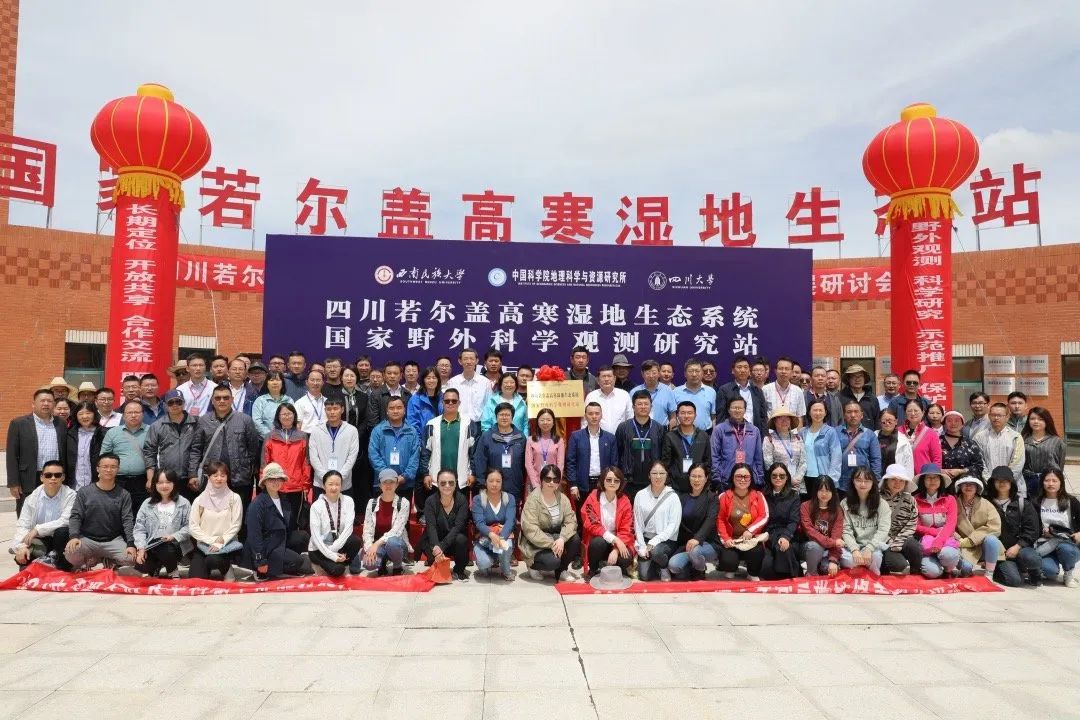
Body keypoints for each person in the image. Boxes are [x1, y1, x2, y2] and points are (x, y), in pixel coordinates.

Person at [189, 384, 263, 517]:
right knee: (213, 515)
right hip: (212, 477)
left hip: (239, 478)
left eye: (225, 398)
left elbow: (253, 448)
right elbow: (196, 449)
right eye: (218, 398)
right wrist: (193, 474)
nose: (222, 401)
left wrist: (248, 470)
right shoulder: (204, 421)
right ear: (212, 401)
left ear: (232, 399)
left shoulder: (245, 420)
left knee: (239, 515)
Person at [63, 453, 137, 570]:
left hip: (113, 540)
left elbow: (127, 520)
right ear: (98, 468)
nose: (109, 470)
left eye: (113, 467)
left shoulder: (124, 494)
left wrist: (130, 544)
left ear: (118, 469)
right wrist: (74, 536)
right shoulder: (84, 492)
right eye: (105, 466)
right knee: (71, 553)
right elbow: (76, 516)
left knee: (130, 559)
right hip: (87, 539)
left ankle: (105, 560)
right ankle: (95, 559)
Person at [242, 463, 313, 580]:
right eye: (271, 479)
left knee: (303, 537)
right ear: (265, 482)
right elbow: (255, 536)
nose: (276, 482)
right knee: (298, 562)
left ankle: (285, 560)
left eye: (278, 479)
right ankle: (261, 569)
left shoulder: (284, 498)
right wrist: (260, 560)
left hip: (279, 540)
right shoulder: (257, 505)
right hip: (266, 547)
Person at [418, 388, 479, 515]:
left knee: (459, 517)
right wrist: (425, 474)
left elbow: (474, 452)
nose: (450, 403)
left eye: (454, 401)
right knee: (437, 515)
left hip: (461, 479)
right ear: (442, 403)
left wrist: (472, 473)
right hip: (436, 479)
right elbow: (425, 452)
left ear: (459, 403)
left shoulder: (469, 424)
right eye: (447, 401)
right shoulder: (432, 424)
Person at [7, 388, 67, 515]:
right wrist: (13, 482)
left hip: (54, 476)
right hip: (29, 476)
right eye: (42, 401)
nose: (46, 404)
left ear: (53, 404)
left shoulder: (61, 424)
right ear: (33, 404)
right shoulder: (19, 423)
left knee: (52, 512)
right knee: (27, 512)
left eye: (49, 401)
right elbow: (12, 455)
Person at [123, 470, 192, 578]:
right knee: (142, 567)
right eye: (160, 482)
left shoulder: (184, 503)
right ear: (154, 484)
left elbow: (189, 527)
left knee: (165, 548)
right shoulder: (147, 504)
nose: (164, 486)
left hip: (175, 546)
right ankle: (156, 567)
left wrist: (174, 536)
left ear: (174, 483)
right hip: (151, 546)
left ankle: (172, 570)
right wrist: (141, 548)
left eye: (168, 482)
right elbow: (139, 529)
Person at [187, 460, 246, 581]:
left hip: (226, 544)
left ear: (227, 477)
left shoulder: (234, 498)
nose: (219, 479)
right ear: (209, 477)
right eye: (215, 475)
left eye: (223, 475)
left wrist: (221, 541)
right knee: (195, 579)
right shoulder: (199, 500)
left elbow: (236, 525)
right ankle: (207, 569)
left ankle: (226, 568)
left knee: (213, 559)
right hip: (204, 544)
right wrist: (211, 541)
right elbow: (193, 527)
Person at [521, 465, 581, 582]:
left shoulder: (563, 499)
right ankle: (532, 566)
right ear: (541, 480)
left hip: (557, 537)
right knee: (553, 562)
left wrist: (562, 539)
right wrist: (553, 543)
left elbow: (571, 521)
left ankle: (562, 570)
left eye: (555, 479)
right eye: (547, 479)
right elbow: (531, 529)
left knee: (575, 539)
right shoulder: (532, 499)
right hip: (535, 542)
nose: (551, 482)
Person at [10, 461, 75, 569]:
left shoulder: (71, 496)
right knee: (23, 557)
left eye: (57, 475)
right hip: (40, 540)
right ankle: (40, 561)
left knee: (63, 531)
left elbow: (65, 521)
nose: (53, 478)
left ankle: (60, 564)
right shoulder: (31, 499)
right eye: (48, 475)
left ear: (63, 477)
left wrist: (37, 529)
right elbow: (23, 525)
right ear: (42, 477)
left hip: (61, 541)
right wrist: (21, 547)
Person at [987, 465, 1041, 587]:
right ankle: (1001, 568)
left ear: (1011, 483)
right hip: (1001, 552)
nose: (1002, 483)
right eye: (998, 480)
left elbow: (1032, 530)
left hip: (1021, 548)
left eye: (1006, 480)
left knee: (1032, 559)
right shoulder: (987, 503)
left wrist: (1018, 546)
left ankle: (1031, 569)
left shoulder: (1023, 503)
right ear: (993, 483)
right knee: (1014, 581)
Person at [142, 390, 199, 502]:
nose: (175, 405)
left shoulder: (196, 423)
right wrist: (150, 478)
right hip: (166, 478)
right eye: (171, 402)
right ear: (165, 405)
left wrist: (194, 474)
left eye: (178, 402)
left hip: (190, 478)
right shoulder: (157, 426)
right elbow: (149, 452)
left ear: (184, 403)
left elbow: (198, 449)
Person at [714, 464, 768, 580]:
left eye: (746, 476)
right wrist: (726, 539)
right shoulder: (724, 496)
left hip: (751, 539)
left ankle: (752, 573)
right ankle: (731, 568)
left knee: (757, 553)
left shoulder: (758, 495)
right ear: (732, 478)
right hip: (732, 540)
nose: (742, 479)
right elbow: (720, 520)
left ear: (751, 478)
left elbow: (764, 516)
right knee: (728, 562)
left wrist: (750, 531)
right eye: (738, 476)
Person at [579, 466, 634, 579]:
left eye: (616, 480)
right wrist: (615, 539)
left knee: (626, 557)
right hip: (599, 540)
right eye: (609, 480)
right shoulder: (593, 497)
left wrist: (616, 549)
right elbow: (592, 525)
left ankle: (615, 569)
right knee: (597, 543)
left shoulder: (625, 501)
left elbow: (626, 529)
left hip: (619, 541)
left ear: (620, 483)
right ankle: (593, 570)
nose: (612, 483)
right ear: (602, 481)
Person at [666, 463, 719, 580]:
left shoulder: (712, 498)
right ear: (689, 477)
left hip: (707, 543)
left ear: (706, 478)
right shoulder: (682, 497)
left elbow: (710, 520)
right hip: (687, 545)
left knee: (695, 552)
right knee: (674, 566)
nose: (696, 480)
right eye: (693, 476)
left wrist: (697, 539)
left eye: (700, 476)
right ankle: (693, 564)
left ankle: (700, 570)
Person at [262, 403, 312, 525]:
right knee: (275, 521)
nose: (287, 416)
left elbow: (306, 463)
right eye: (283, 414)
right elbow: (264, 462)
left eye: (289, 413)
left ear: (294, 415)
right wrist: (264, 482)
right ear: (278, 416)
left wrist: (306, 485)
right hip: (275, 485)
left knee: (293, 521)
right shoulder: (270, 436)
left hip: (296, 485)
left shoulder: (302, 436)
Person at [632, 461, 681, 581]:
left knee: (656, 552)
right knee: (644, 576)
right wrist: (642, 546)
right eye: (654, 473)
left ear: (666, 475)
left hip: (665, 540)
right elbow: (637, 523)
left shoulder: (673, 497)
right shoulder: (640, 495)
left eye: (661, 473)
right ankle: (655, 564)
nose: (658, 476)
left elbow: (673, 526)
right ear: (649, 475)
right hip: (646, 538)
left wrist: (653, 542)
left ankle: (663, 566)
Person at [99, 400, 151, 513]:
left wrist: (151, 478)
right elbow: (103, 457)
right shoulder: (113, 432)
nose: (133, 415)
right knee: (116, 512)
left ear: (143, 414)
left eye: (137, 412)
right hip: (117, 480)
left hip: (142, 481)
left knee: (140, 512)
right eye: (129, 412)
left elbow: (156, 456)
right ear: (123, 415)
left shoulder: (151, 431)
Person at [472, 402, 528, 504]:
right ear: (496, 417)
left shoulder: (521, 438)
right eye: (501, 414)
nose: (504, 417)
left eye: (507, 415)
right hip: (492, 487)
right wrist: (482, 483)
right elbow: (480, 461)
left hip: (514, 487)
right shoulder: (487, 437)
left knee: (512, 513)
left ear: (512, 417)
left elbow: (524, 464)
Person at [308, 470, 362, 577]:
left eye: (337, 484)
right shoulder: (316, 506)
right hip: (319, 549)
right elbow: (316, 537)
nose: (334, 487)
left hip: (337, 545)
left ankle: (342, 563)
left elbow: (348, 528)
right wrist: (332, 555)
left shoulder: (348, 501)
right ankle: (323, 564)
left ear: (341, 486)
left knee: (355, 541)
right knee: (337, 570)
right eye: (330, 484)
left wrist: (334, 549)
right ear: (324, 486)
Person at [615, 391, 666, 500]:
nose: (643, 407)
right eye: (639, 404)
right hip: (628, 482)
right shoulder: (623, 427)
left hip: (652, 481)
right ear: (633, 407)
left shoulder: (659, 428)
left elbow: (662, 456)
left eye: (646, 404)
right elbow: (617, 454)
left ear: (651, 406)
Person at [913, 463, 961, 578]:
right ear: (923, 480)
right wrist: (935, 532)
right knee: (932, 572)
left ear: (941, 480)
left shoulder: (950, 499)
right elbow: (915, 525)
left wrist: (939, 540)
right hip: (926, 543)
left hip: (946, 540)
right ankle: (940, 566)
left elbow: (951, 524)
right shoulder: (915, 500)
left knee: (948, 555)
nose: (932, 480)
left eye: (936, 477)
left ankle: (949, 568)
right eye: (928, 477)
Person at [840, 467, 891, 576]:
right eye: (858, 480)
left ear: (873, 482)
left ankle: (867, 575)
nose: (862, 484)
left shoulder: (882, 504)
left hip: (873, 547)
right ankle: (861, 570)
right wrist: (854, 550)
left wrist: (869, 548)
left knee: (876, 557)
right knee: (847, 559)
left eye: (867, 481)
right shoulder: (845, 503)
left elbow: (883, 530)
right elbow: (845, 530)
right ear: (853, 481)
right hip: (852, 548)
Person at [340, 366, 379, 509]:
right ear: (341, 378)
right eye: (346, 376)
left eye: (352, 376)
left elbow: (366, 419)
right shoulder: (336, 396)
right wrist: (345, 434)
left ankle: (359, 508)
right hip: (340, 439)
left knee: (358, 473)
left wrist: (356, 434)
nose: (349, 379)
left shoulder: (363, 397)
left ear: (357, 378)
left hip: (360, 439)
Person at [1034, 468, 1080, 587]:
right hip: (1045, 544)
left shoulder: (1071, 501)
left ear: (1061, 483)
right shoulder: (1037, 502)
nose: (1050, 484)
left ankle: (1068, 574)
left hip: (1067, 543)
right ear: (1042, 482)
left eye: (1054, 480)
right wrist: (1042, 532)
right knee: (1050, 572)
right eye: (1047, 480)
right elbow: (1032, 525)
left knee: (1067, 550)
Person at [421, 469, 470, 581]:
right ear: (437, 484)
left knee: (461, 539)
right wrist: (436, 547)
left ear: (456, 483)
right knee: (429, 546)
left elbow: (458, 527)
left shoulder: (462, 500)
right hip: (435, 540)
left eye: (451, 483)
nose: (447, 486)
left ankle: (459, 570)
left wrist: (441, 547)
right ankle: (436, 564)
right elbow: (431, 527)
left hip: (453, 540)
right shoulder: (430, 501)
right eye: (443, 483)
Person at [368, 396, 421, 500]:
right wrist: (388, 476)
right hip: (382, 483)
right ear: (387, 411)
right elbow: (373, 455)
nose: (395, 411)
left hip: (405, 483)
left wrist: (405, 476)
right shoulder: (378, 431)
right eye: (391, 408)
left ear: (404, 410)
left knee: (404, 510)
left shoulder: (412, 432)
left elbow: (415, 457)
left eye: (399, 407)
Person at [565, 402, 618, 505]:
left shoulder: (610, 438)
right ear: (585, 416)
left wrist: (612, 483)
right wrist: (573, 485)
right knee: (582, 513)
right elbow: (570, 462)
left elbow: (614, 464)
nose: (594, 416)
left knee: (603, 513)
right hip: (582, 485)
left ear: (601, 415)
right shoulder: (576, 437)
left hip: (604, 484)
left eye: (597, 413)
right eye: (590, 414)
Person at [361, 469, 411, 576]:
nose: (388, 485)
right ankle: (381, 565)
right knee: (369, 564)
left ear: (397, 484)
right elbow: (367, 530)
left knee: (392, 542)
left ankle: (397, 567)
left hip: (397, 545)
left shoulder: (404, 503)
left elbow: (396, 532)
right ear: (380, 485)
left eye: (391, 482)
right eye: (385, 482)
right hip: (379, 545)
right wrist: (369, 548)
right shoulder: (372, 503)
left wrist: (376, 544)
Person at [471, 468, 518, 580]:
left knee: (506, 546)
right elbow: (479, 523)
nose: (494, 484)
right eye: (491, 481)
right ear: (485, 482)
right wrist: (492, 534)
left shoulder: (509, 498)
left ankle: (505, 570)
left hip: (503, 536)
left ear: (502, 482)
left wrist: (501, 538)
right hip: (484, 540)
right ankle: (491, 559)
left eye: (498, 481)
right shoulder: (478, 499)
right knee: (484, 565)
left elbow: (510, 521)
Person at [308, 397, 360, 497]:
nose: (332, 412)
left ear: (342, 409)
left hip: (343, 484)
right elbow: (314, 457)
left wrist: (339, 478)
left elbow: (352, 457)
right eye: (329, 409)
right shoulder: (316, 431)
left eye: (335, 408)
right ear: (325, 410)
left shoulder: (352, 430)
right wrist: (325, 478)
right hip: (321, 484)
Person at [953, 475, 1003, 578]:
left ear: (977, 488)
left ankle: (989, 573)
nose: (968, 487)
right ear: (960, 487)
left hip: (983, 544)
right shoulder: (953, 502)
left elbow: (995, 527)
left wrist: (972, 540)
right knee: (965, 570)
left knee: (992, 540)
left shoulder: (986, 504)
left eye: (972, 484)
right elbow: (947, 523)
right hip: (963, 545)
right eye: (965, 484)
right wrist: (955, 535)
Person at [710, 397, 764, 490]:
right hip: (726, 480)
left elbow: (758, 457)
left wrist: (759, 478)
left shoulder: (754, 431)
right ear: (728, 410)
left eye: (740, 408)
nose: (737, 410)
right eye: (734, 407)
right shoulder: (719, 430)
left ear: (745, 410)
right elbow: (715, 456)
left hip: (748, 479)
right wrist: (717, 479)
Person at [973, 402, 1026, 499]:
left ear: (1007, 417)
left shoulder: (1016, 437)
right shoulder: (979, 437)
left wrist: (1006, 481)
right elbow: (979, 462)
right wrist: (991, 482)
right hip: (988, 487)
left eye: (999, 415)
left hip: (1013, 486)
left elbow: (1018, 463)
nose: (996, 418)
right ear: (989, 416)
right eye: (993, 415)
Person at [878, 464, 922, 575]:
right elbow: (873, 523)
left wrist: (898, 541)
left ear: (905, 483)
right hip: (882, 540)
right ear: (886, 481)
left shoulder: (910, 500)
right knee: (899, 565)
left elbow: (912, 523)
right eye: (893, 479)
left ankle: (916, 573)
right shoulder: (877, 498)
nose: (897, 483)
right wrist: (889, 541)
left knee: (914, 546)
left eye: (901, 480)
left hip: (903, 538)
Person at [760, 463, 801, 579]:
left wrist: (786, 537)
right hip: (768, 534)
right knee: (766, 568)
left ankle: (791, 576)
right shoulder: (763, 494)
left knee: (783, 548)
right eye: (774, 475)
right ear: (770, 477)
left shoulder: (794, 495)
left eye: (782, 476)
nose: (778, 478)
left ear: (787, 477)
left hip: (787, 533)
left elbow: (794, 521)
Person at [660, 401, 711, 493]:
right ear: (677, 415)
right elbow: (665, 463)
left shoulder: (703, 436)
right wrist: (669, 484)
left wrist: (706, 484)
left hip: (699, 487)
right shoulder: (670, 436)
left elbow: (708, 462)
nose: (686, 416)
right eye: (683, 413)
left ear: (695, 415)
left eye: (690, 413)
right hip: (676, 488)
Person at [800, 476, 845, 577]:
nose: (824, 494)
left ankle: (821, 566)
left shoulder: (837, 510)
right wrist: (833, 542)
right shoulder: (805, 506)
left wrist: (833, 560)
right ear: (815, 491)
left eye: (827, 490)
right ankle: (811, 573)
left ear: (833, 492)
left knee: (828, 569)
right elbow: (810, 531)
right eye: (821, 490)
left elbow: (836, 536)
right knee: (814, 547)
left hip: (829, 549)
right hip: (809, 547)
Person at [715, 354, 768, 434]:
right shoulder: (724, 390)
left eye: (746, 367)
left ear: (749, 371)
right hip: (732, 434)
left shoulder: (757, 391)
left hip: (754, 434)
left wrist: (765, 435)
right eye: (739, 367)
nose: (743, 370)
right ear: (733, 370)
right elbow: (721, 417)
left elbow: (763, 417)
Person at [1022, 407, 1065, 500]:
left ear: (1047, 421)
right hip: (1028, 481)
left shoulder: (1057, 441)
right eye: (1032, 418)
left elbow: (1060, 465)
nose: (1036, 421)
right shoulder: (1022, 440)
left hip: (1049, 482)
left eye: (1041, 419)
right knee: (1030, 507)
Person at [837, 401, 882, 492]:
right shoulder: (835, 432)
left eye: (856, 411)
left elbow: (876, 459)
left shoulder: (870, 435)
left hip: (863, 483)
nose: (853, 415)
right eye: (849, 412)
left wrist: (875, 481)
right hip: (840, 483)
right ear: (844, 415)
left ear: (861, 415)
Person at [802, 399, 841, 499]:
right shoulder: (803, 432)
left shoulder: (830, 432)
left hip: (824, 478)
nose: (818, 413)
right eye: (815, 410)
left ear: (825, 412)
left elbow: (836, 457)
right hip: (805, 478)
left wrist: (830, 480)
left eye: (820, 410)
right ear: (809, 412)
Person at [762, 408, 806, 495]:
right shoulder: (769, 439)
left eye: (787, 418)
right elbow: (769, 464)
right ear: (774, 421)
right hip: (779, 483)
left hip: (797, 484)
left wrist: (797, 478)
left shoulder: (798, 438)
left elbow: (803, 461)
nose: (784, 421)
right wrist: (787, 479)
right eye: (780, 418)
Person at [445, 347, 492, 424]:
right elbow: (447, 405)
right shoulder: (452, 382)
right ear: (460, 361)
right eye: (465, 359)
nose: (469, 362)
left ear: (477, 361)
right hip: (458, 423)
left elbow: (489, 406)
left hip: (479, 424)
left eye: (471, 359)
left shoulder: (485, 382)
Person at [65, 401, 104, 491]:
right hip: (74, 486)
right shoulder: (69, 434)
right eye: (80, 414)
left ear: (94, 414)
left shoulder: (102, 433)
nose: (84, 416)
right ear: (76, 416)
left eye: (88, 413)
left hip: (96, 484)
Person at [525, 408, 564, 494]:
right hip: (534, 484)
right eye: (542, 420)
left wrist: (555, 482)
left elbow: (560, 465)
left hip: (553, 483)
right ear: (538, 422)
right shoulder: (531, 440)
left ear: (553, 423)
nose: (545, 422)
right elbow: (528, 464)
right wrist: (535, 485)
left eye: (548, 420)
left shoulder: (559, 441)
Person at [941, 409, 984, 484]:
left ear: (962, 424)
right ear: (944, 423)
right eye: (949, 420)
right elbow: (928, 463)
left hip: (965, 486)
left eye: (957, 420)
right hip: (941, 484)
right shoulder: (936, 442)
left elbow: (979, 466)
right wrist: (940, 470)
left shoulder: (970, 443)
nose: (953, 423)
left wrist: (961, 471)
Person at [585, 366, 633, 434]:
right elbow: (585, 420)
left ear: (615, 378)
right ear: (598, 380)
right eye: (603, 376)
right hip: (597, 437)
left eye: (609, 376)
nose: (606, 379)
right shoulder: (591, 396)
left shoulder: (624, 395)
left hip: (621, 437)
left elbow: (630, 418)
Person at [674, 358, 717, 432]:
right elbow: (673, 416)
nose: (694, 374)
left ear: (702, 373)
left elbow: (713, 416)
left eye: (697, 371)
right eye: (691, 371)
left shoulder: (711, 392)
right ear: (685, 374)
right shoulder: (676, 392)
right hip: (681, 434)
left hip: (706, 434)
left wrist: (714, 434)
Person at [631, 359, 678, 426]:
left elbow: (673, 417)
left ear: (658, 374)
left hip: (662, 430)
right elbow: (630, 414)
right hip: (639, 430)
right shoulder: (634, 392)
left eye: (654, 373)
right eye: (647, 373)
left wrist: (671, 432)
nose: (651, 376)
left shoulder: (667, 391)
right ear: (642, 374)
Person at [904, 400, 942, 472]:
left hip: (924, 476)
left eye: (916, 410)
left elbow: (937, 459)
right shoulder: (899, 432)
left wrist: (933, 476)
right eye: (909, 411)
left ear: (923, 412)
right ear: (905, 413)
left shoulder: (931, 434)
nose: (913, 413)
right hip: (902, 477)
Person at [838, 365, 879, 430]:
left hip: (868, 435)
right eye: (853, 376)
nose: (857, 379)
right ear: (848, 379)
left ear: (864, 378)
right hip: (845, 435)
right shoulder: (839, 397)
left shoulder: (872, 398)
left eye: (860, 376)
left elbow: (877, 421)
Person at [407, 366, 444, 438]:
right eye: (428, 378)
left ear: (438, 380)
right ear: (423, 380)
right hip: (423, 440)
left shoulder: (443, 397)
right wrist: (418, 442)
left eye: (434, 378)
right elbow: (413, 424)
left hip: (441, 438)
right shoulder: (415, 399)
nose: (431, 380)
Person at [252, 370, 290, 438]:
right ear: (267, 383)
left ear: (282, 383)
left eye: (278, 380)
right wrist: (271, 436)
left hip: (287, 439)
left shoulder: (289, 400)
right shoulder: (260, 401)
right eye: (272, 380)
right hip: (265, 439)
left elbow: (293, 420)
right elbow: (256, 422)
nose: (275, 383)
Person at [293, 369, 328, 433]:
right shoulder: (300, 403)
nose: (315, 383)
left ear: (323, 382)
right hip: (306, 435)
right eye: (312, 380)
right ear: (307, 382)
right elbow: (298, 425)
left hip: (325, 436)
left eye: (318, 380)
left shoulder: (327, 402)